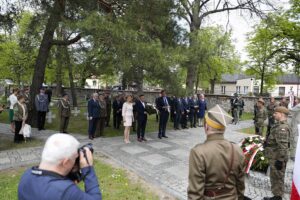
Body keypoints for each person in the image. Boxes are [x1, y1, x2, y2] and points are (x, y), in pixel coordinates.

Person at [18, 133, 102, 200]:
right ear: (65, 162)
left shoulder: (27, 176)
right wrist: (88, 171)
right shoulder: (65, 190)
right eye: (75, 158)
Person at [188, 104, 245, 200]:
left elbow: (195, 194)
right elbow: (240, 186)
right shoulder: (237, 149)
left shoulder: (198, 152)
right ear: (224, 128)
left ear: (206, 127)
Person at [264, 107, 291, 200]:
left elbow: (283, 146)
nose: (273, 115)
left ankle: (278, 197)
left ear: (282, 114)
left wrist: (280, 160)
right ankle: (276, 196)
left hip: (278, 157)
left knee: (278, 178)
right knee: (275, 177)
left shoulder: (282, 128)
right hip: (274, 156)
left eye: (276, 113)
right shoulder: (278, 125)